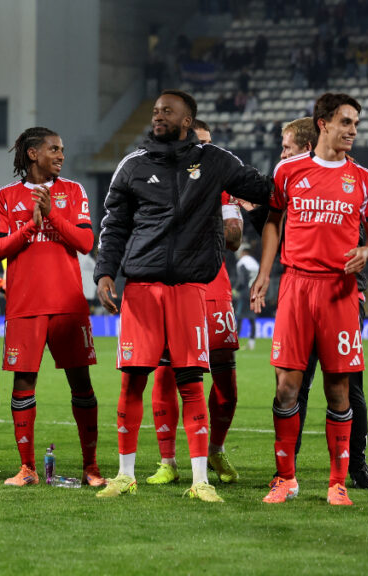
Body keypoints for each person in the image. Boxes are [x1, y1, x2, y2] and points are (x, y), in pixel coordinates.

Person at [94, 89, 272, 502]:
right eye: (155, 110)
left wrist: (295, 175)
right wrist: (105, 272)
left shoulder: (215, 161)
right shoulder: (132, 165)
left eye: (167, 111)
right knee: (133, 381)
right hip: (141, 289)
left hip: (191, 288)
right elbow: (115, 224)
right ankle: (124, 475)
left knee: (191, 382)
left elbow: (262, 189)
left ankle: (200, 481)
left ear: (186, 120)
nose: (158, 116)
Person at [251, 93, 368, 505]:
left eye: (356, 123)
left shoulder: (365, 180)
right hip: (295, 286)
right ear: (322, 123)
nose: (353, 130)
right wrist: (265, 273)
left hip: (340, 292)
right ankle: (285, 478)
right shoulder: (289, 170)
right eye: (346, 122)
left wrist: (367, 252)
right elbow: (273, 223)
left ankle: (337, 482)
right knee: (287, 387)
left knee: (339, 389)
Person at [0, 127, 104, 487]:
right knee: (23, 384)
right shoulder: (6, 197)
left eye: (62, 149)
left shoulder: (73, 191)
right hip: (25, 305)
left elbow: (86, 241)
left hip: (68, 304)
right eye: (54, 149)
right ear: (33, 154)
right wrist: (29, 227)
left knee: (81, 385)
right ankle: (27, 469)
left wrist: (51, 215)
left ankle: (91, 468)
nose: (61, 155)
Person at [147, 120, 244, 487]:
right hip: (171, 285)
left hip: (214, 288)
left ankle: (216, 448)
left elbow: (234, 238)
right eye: (197, 144)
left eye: (209, 145)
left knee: (226, 378)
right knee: (166, 372)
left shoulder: (222, 188)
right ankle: (168, 460)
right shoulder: (158, 183)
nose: (203, 152)